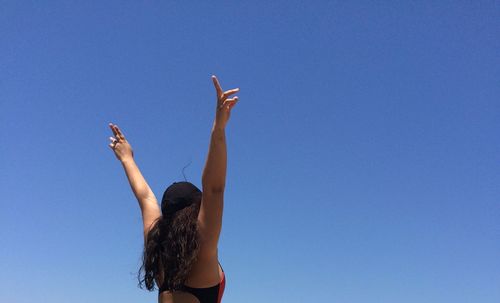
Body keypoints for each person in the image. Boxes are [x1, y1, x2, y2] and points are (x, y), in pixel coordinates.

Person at [108, 75, 239, 303]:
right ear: (197, 208)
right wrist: (218, 128)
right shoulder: (203, 241)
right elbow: (214, 189)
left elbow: (146, 197)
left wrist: (127, 159)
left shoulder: (157, 247)